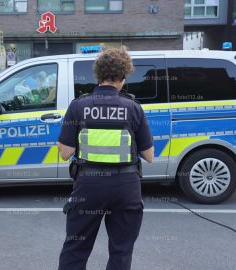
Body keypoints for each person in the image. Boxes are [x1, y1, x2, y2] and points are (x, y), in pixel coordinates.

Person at [57, 48, 154, 270]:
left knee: (76, 249)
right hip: (126, 188)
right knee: (121, 250)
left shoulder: (79, 106)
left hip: (89, 186)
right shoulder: (133, 107)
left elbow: (65, 153)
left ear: (98, 75)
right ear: (123, 78)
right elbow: (149, 156)